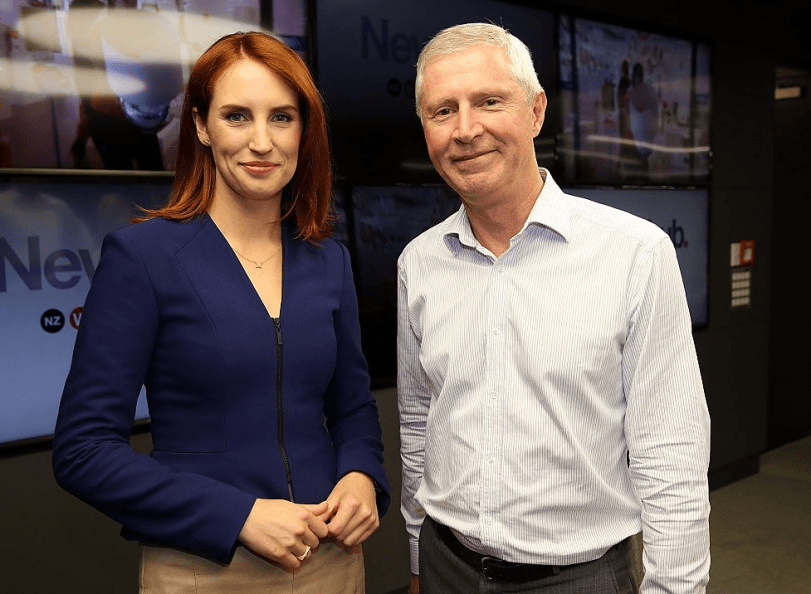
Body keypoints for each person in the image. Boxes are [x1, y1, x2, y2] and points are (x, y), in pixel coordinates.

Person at [53, 31, 389, 593]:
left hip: (332, 562)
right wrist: (238, 515)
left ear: (304, 130)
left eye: (281, 118)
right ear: (202, 126)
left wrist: (361, 475)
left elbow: (352, 406)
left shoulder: (328, 261)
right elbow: (83, 451)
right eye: (237, 116)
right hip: (206, 570)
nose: (262, 142)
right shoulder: (144, 257)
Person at [398, 23, 710, 594]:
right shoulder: (418, 263)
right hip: (446, 567)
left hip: (579, 579)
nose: (465, 130)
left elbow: (671, 451)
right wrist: (419, 554)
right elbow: (418, 420)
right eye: (443, 111)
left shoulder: (635, 254)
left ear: (536, 111)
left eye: (489, 102)